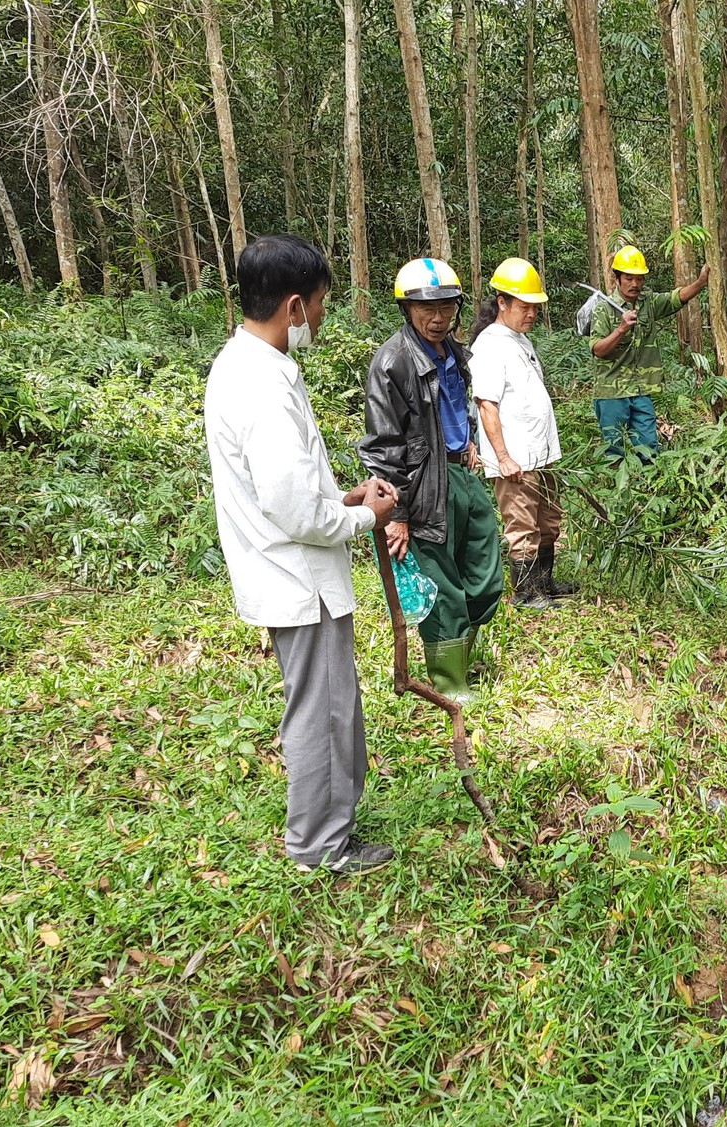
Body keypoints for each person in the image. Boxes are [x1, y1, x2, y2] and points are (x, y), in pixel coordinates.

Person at [203, 234, 399, 876]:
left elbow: (286, 490)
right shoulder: (261, 387)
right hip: (297, 579)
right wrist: (366, 514)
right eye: (318, 305)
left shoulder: (246, 367)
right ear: (292, 306)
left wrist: (344, 496)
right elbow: (294, 511)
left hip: (291, 568)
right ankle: (317, 845)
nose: (320, 319)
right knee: (320, 711)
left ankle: (331, 825)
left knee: (329, 703)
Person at [360, 258, 504, 703]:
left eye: (447, 307)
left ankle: (462, 655)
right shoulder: (392, 363)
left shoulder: (455, 352)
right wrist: (395, 514)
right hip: (422, 486)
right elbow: (384, 444)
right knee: (441, 586)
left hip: (463, 473)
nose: (438, 318)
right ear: (407, 309)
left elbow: (459, 409)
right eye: (428, 309)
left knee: (485, 573)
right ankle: (450, 683)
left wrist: (472, 444)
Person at [471, 257, 579, 610]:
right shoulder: (490, 345)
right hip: (516, 457)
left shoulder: (520, 340)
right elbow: (487, 404)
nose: (531, 313)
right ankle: (526, 593)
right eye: (524, 306)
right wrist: (503, 457)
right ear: (502, 302)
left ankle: (545, 584)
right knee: (522, 526)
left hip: (542, 455)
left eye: (535, 307)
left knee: (548, 521)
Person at [587, 244, 710, 460]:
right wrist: (621, 329)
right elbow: (598, 349)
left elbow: (676, 298)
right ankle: (619, 491)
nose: (635, 284)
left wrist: (700, 282)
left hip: (641, 389)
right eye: (628, 278)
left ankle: (649, 488)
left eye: (639, 278)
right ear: (617, 278)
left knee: (649, 448)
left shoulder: (648, 302)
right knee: (614, 450)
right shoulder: (603, 309)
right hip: (612, 392)